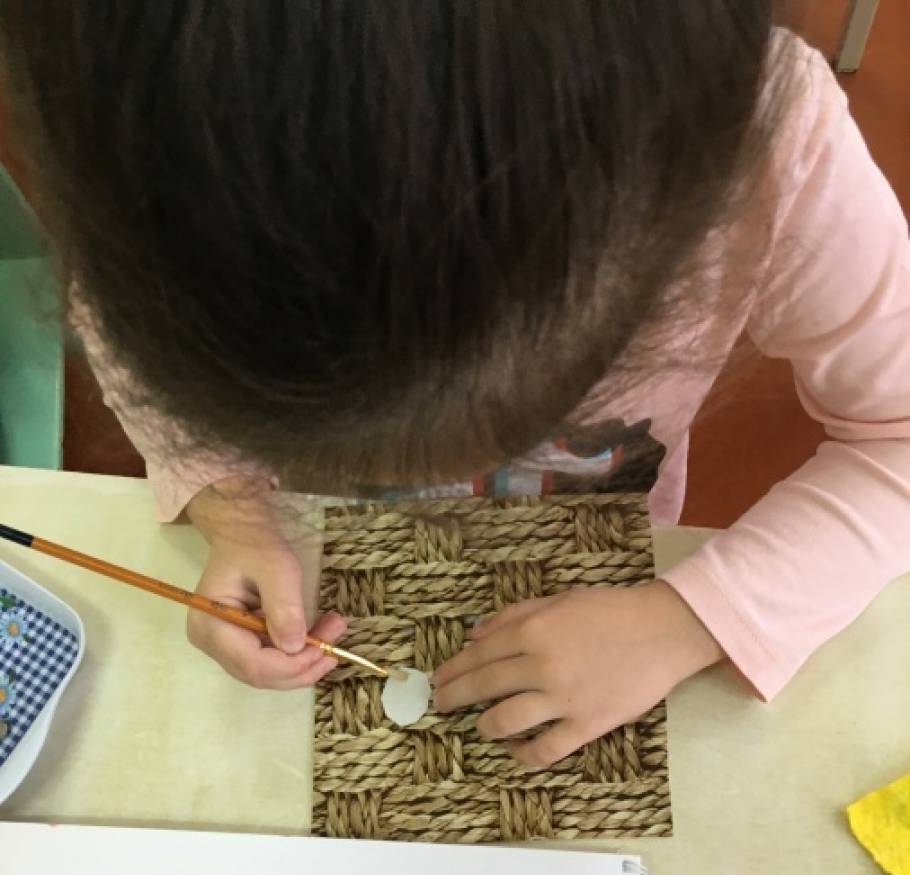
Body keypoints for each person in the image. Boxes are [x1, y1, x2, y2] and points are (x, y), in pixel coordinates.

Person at [2, 2, 908, 767]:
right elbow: (120, 325)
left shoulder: (767, 148)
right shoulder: (138, 154)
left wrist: (691, 618)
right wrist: (228, 501)